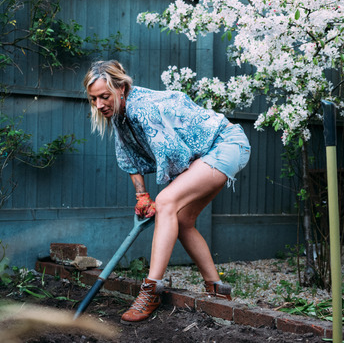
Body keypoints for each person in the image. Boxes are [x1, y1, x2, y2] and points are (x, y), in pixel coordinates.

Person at [83, 60, 251, 323]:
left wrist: (159, 202)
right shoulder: (119, 113)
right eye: (94, 99)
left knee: (167, 201)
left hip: (226, 144)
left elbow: (173, 154)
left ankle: (151, 290)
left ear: (122, 89)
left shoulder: (145, 109)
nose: (99, 104)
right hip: (207, 152)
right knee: (182, 220)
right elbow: (127, 156)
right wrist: (142, 196)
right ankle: (218, 291)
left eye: (104, 97)